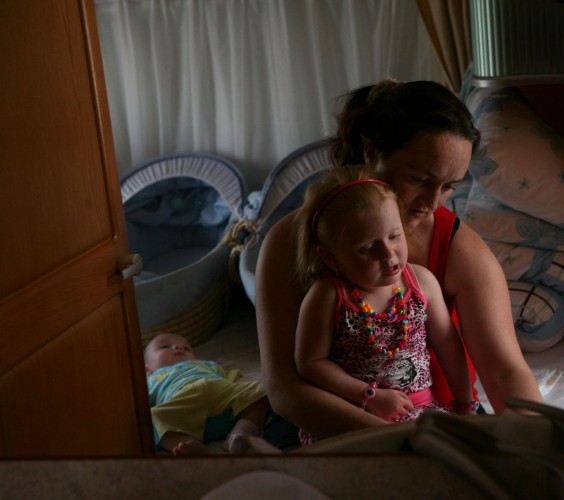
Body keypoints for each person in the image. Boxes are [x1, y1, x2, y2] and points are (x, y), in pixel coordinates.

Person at [255, 79, 543, 447]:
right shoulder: (290, 241)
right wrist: (398, 444)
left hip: (438, 419)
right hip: (324, 420)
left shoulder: (459, 249)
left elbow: (504, 372)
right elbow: (286, 389)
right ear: (372, 152)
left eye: (449, 186)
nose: (432, 202)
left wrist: (539, 440)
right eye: (419, 180)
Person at [293, 167, 477, 444]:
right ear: (331, 257)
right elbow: (310, 363)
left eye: (394, 237)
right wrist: (369, 395)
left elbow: (449, 345)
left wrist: (465, 405)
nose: (388, 254)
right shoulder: (328, 295)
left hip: (423, 412)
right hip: (357, 415)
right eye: (368, 248)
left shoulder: (421, 282)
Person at [144, 332, 279, 456]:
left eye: (187, 348)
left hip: (220, 399)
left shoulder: (208, 365)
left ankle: (243, 431)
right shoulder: (152, 378)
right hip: (184, 409)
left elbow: (237, 379)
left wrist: (250, 392)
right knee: (153, 419)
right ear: (147, 368)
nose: (179, 347)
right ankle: (187, 444)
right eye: (165, 346)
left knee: (259, 389)